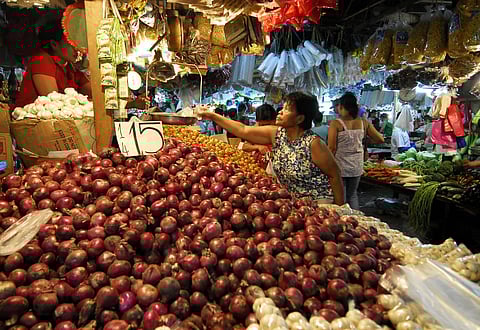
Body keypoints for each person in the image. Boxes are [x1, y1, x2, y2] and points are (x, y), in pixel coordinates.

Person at [198, 91, 345, 205]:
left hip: (319, 203)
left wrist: (339, 209)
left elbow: (335, 175)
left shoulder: (313, 143)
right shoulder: (277, 134)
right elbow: (243, 130)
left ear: (300, 118)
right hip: (295, 203)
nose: (280, 111)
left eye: (287, 109)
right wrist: (212, 116)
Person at [14, 18, 91, 108]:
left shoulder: (69, 66)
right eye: (71, 44)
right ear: (54, 45)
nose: (76, 48)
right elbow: (54, 102)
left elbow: (93, 92)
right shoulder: (41, 61)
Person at [327, 92, 384, 209]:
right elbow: (380, 139)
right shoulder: (364, 122)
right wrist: (362, 139)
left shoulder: (336, 123)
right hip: (356, 165)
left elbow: (332, 148)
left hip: (340, 166)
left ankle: (343, 222)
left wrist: (327, 166)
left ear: (341, 106)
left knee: (340, 197)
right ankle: (356, 221)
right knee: (352, 195)